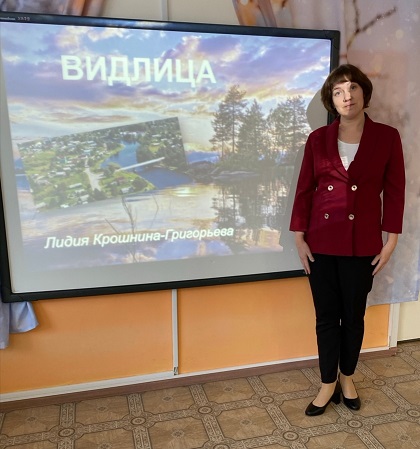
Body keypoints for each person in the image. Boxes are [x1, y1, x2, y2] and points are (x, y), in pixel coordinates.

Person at [289, 64, 405, 416]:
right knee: (326, 317)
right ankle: (327, 383)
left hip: (362, 244)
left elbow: (394, 190)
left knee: (353, 317)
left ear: (364, 93)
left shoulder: (387, 137)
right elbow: (304, 189)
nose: (347, 95)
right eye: (338, 91)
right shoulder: (317, 139)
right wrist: (299, 237)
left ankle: (348, 377)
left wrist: (391, 240)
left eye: (352, 87)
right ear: (331, 100)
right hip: (321, 242)